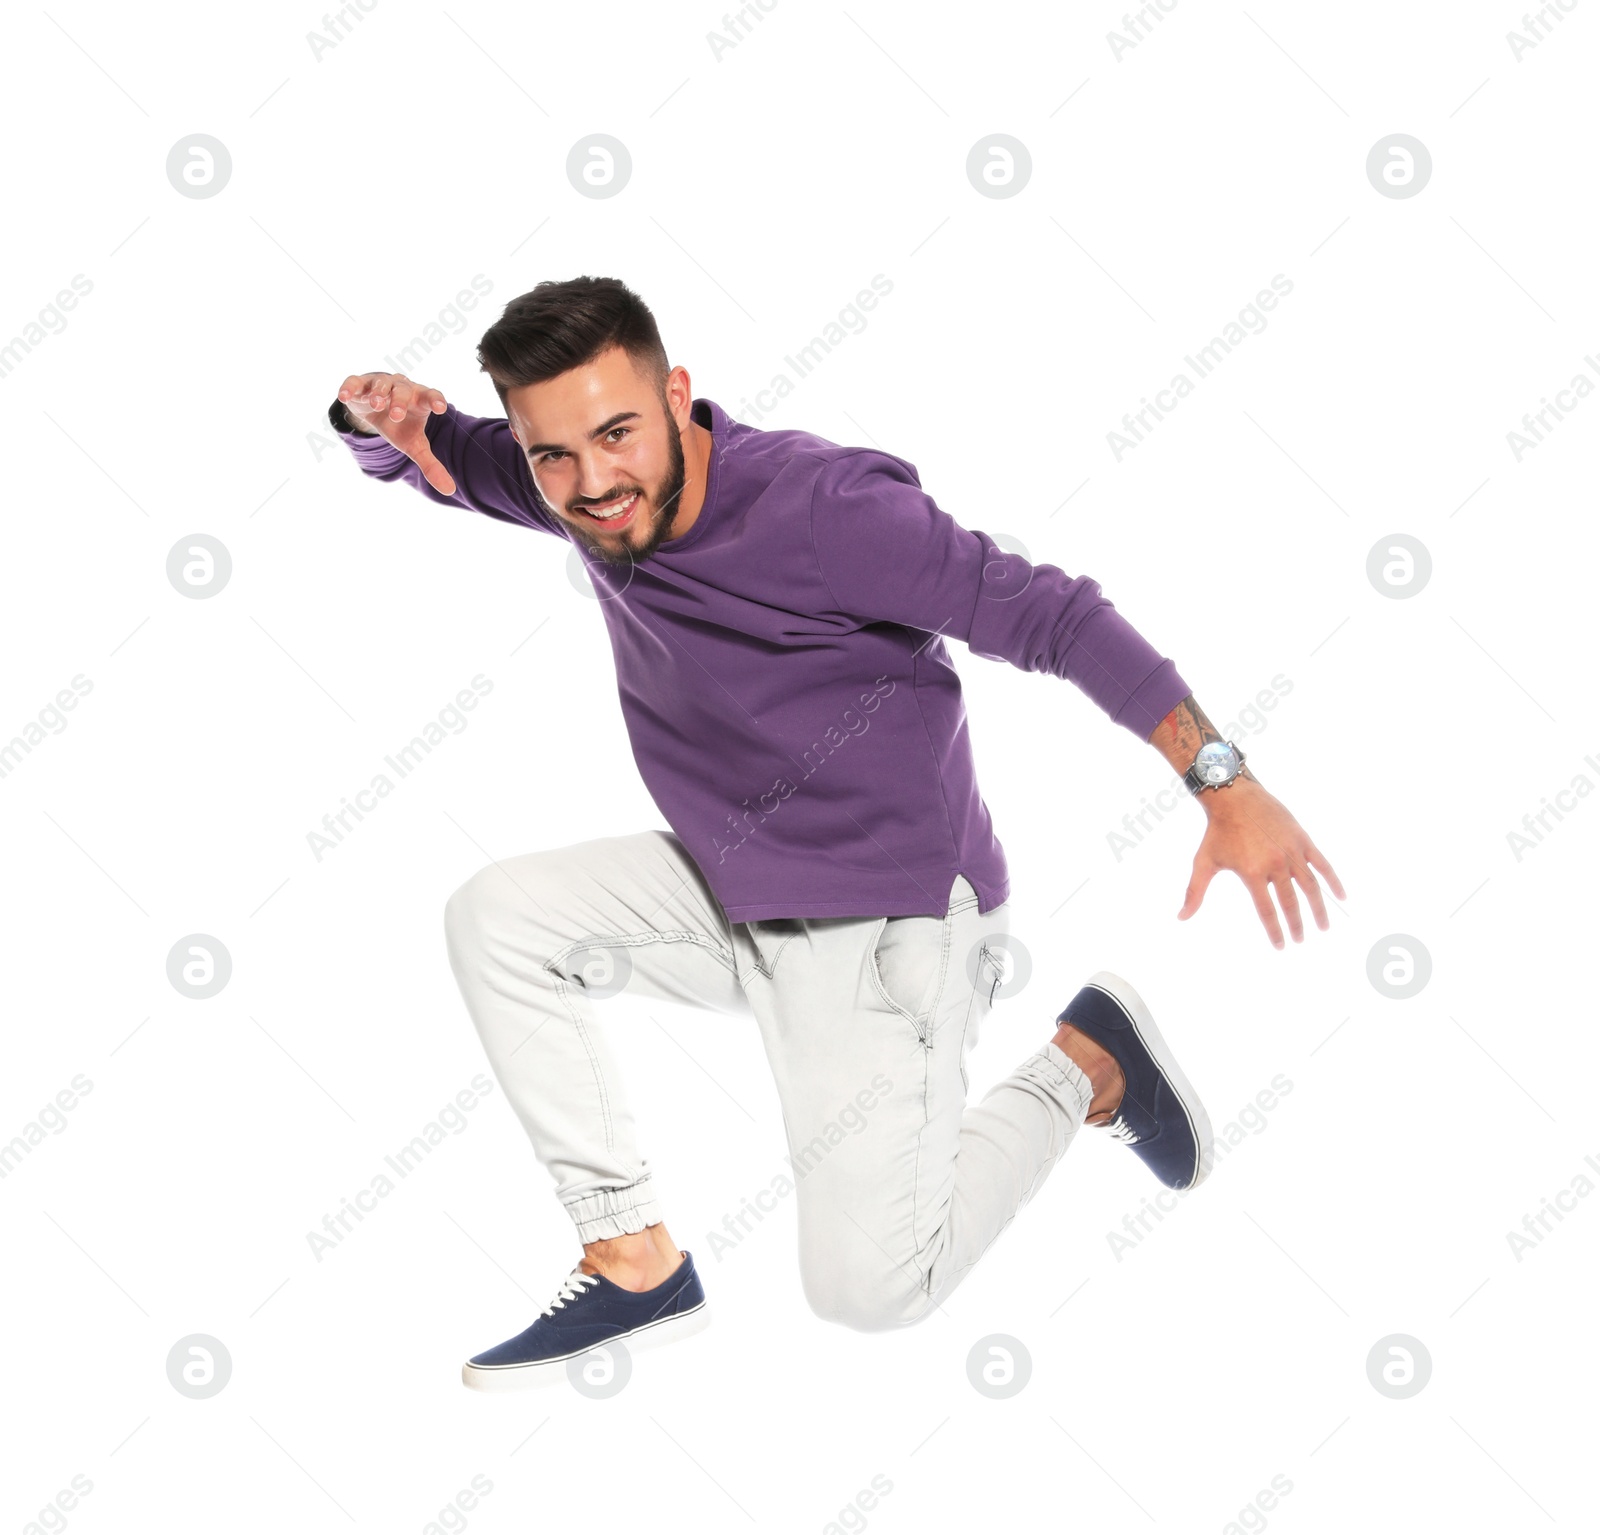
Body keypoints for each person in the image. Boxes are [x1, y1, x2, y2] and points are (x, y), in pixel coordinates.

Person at [328, 275, 1343, 1392]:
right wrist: (378, 427)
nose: (591, 482)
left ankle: (1085, 1063)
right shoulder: (586, 491)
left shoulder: (824, 510)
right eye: (552, 455)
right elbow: (451, 461)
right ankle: (634, 1258)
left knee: (870, 1288)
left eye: (615, 433)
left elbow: (1051, 614)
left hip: (895, 916)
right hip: (736, 888)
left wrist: (1223, 781)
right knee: (499, 918)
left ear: (676, 396)